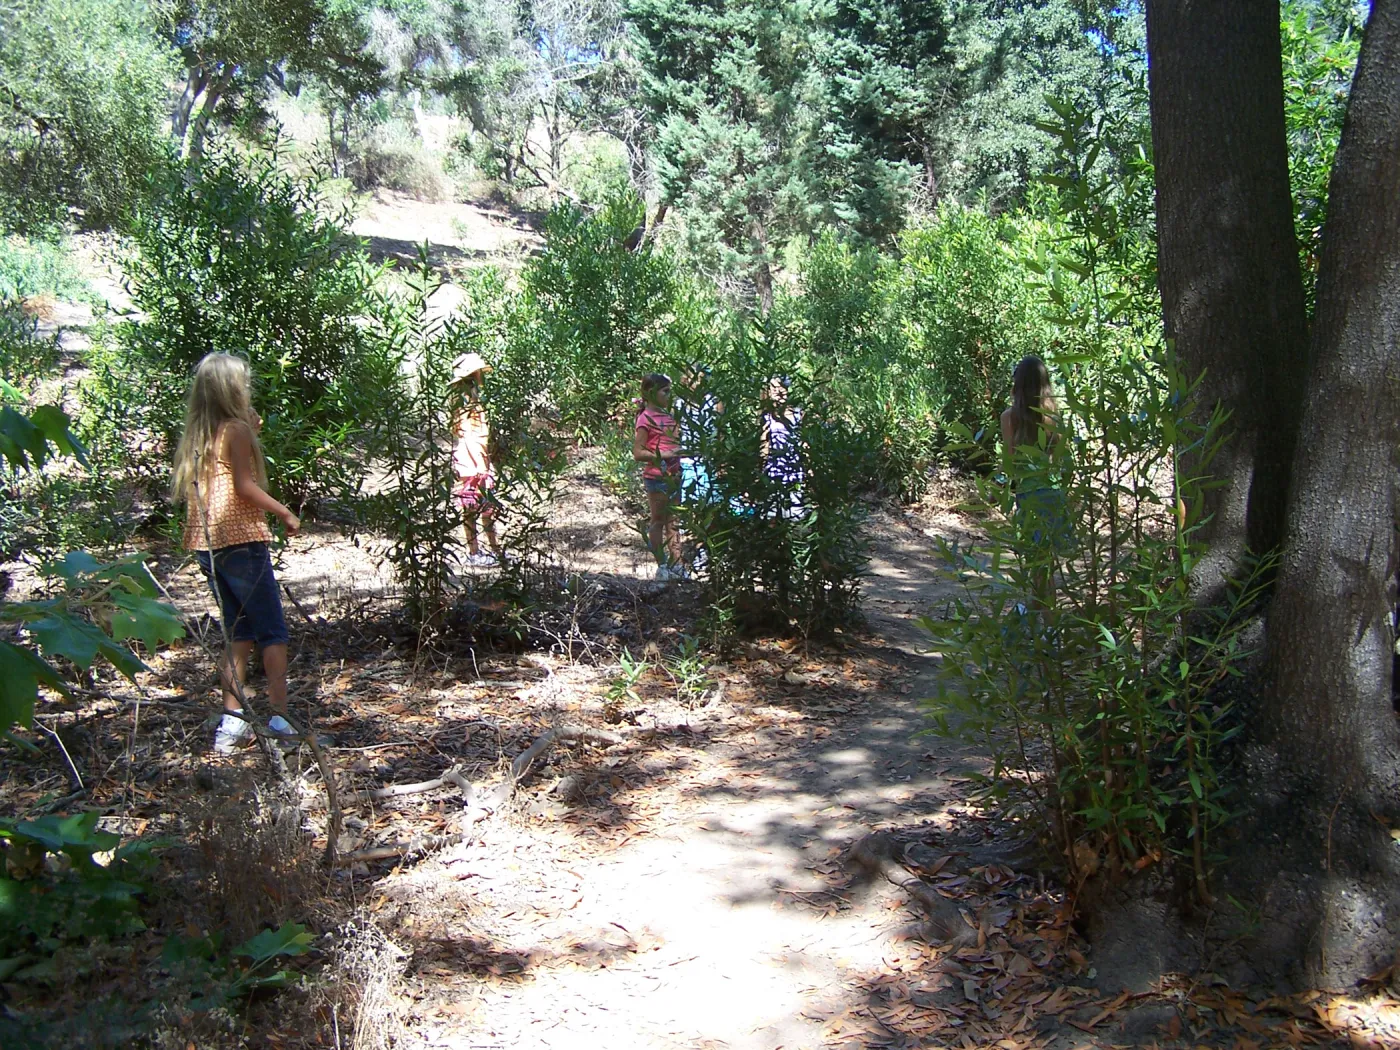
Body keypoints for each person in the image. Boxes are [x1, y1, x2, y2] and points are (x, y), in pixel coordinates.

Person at [171, 353, 301, 755]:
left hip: (208, 543)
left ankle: (232, 723)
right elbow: (244, 486)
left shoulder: (200, 433)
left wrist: (251, 423)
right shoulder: (234, 430)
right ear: (232, 389)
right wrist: (284, 511)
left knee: (238, 631)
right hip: (241, 540)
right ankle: (280, 718)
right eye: (243, 384)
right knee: (272, 630)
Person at [999, 355, 1069, 609]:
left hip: (1029, 497)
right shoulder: (1054, 417)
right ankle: (1036, 624)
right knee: (1044, 566)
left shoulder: (1010, 417)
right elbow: (1063, 459)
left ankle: (1033, 625)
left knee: (1039, 568)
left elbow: (1010, 463)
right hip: (1054, 493)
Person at [450, 352, 503, 568]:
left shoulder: (472, 397)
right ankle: (474, 552)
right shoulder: (463, 400)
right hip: (471, 461)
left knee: (486, 507)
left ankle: (493, 549)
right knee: (471, 507)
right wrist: (479, 464)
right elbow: (467, 434)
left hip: (478, 460)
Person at [633, 372, 684, 579]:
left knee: (675, 522)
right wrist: (666, 454)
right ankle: (662, 566)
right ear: (651, 393)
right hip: (657, 477)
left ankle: (677, 565)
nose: (668, 395)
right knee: (658, 521)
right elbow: (638, 453)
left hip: (675, 476)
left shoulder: (668, 415)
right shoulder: (645, 418)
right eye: (665, 391)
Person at [761, 376, 805, 519]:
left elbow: (805, 440)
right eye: (774, 388)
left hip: (794, 470)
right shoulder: (766, 416)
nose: (779, 392)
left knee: (795, 514)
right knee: (772, 514)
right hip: (773, 471)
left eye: (782, 388)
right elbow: (764, 443)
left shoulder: (798, 414)